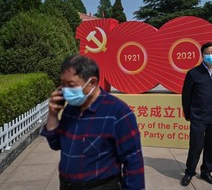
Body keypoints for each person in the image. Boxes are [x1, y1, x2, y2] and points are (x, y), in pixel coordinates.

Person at [40, 54, 145, 190]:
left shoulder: (118, 112)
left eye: (71, 85)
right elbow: (55, 144)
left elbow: (133, 161)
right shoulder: (70, 109)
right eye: (62, 84)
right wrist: (53, 115)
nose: (65, 90)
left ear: (92, 83)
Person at [180, 42, 212, 186]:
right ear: (202, 54)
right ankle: (189, 172)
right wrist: (188, 114)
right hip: (198, 117)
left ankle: (206, 172)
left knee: (211, 146)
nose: (211, 56)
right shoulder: (193, 73)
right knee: (196, 146)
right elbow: (186, 96)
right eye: (208, 53)